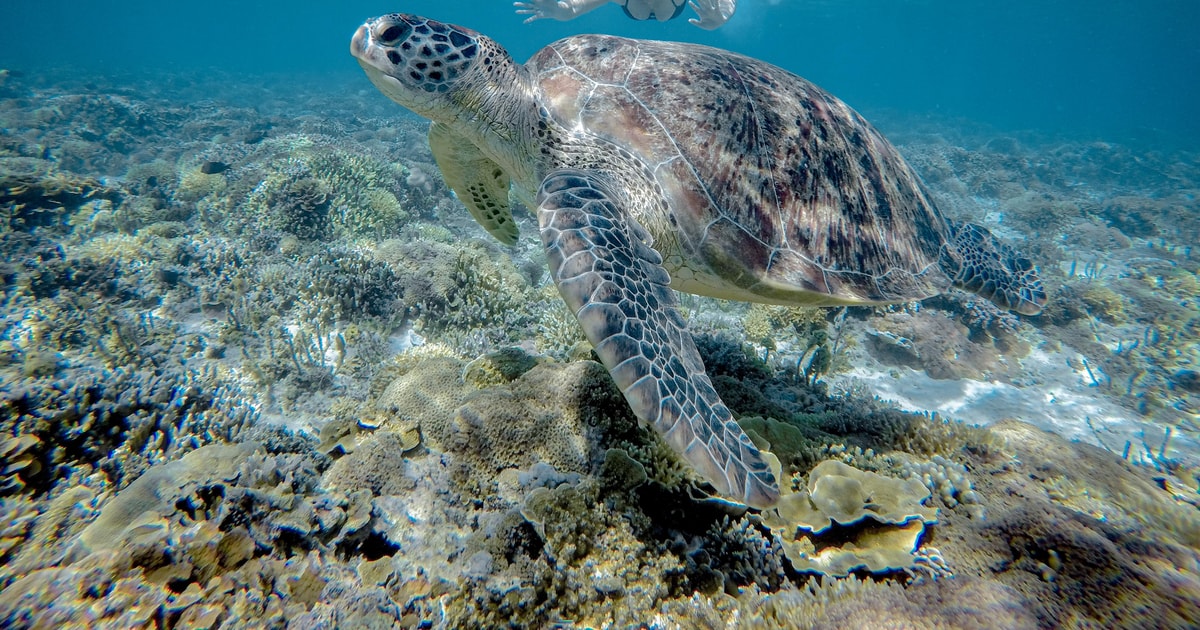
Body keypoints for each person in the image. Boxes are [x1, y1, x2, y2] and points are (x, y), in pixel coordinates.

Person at [515, 0, 736, 30]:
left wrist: (722, 16)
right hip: (635, 8)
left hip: (670, 8)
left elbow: (724, 3)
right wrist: (563, 11)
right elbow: (574, 7)